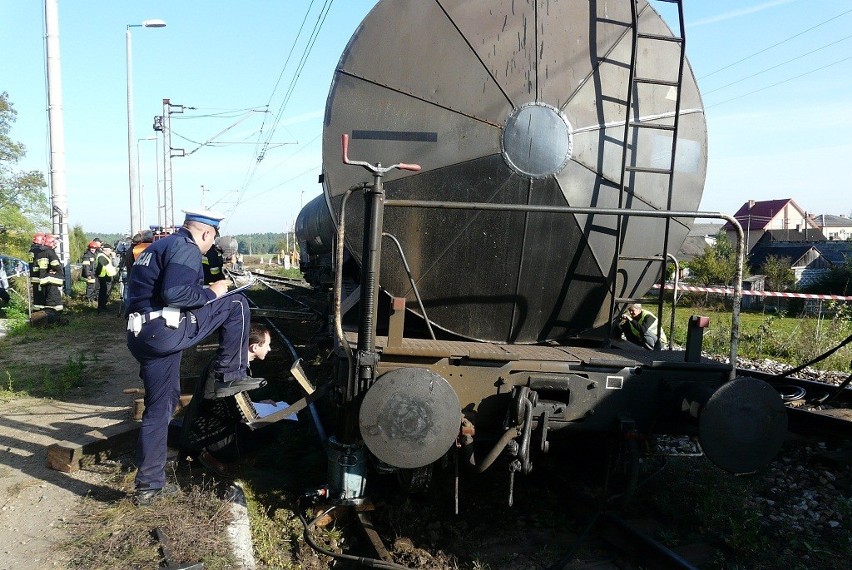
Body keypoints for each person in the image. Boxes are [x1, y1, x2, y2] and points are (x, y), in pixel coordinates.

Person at [125, 208, 265, 505]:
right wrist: (213, 293)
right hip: (164, 331)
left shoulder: (157, 247)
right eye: (211, 239)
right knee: (236, 303)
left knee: (159, 408)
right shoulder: (185, 247)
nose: (210, 246)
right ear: (205, 232)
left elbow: (160, 292)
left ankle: (148, 487)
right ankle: (230, 375)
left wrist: (200, 292)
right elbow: (176, 293)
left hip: (142, 335)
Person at [37, 235, 64, 312]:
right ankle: (54, 317)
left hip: (44, 280)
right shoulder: (51, 253)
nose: (56, 245)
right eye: (55, 243)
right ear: (52, 243)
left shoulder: (41, 252)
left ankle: (48, 315)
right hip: (52, 280)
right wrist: (59, 273)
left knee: (47, 298)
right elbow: (56, 265)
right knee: (54, 300)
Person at [95, 243, 117, 314]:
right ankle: (101, 309)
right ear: (107, 250)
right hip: (103, 277)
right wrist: (97, 275)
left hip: (106, 277)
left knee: (104, 293)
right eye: (111, 250)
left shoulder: (105, 256)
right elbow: (100, 267)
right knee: (102, 294)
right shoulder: (102, 256)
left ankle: (103, 307)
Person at [28, 232, 46, 310]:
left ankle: (37, 310)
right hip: (38, 276)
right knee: (40, 295)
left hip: (34, 276)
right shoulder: (37, 250)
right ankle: (39, 313)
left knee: (36, 295)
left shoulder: (32, 249)